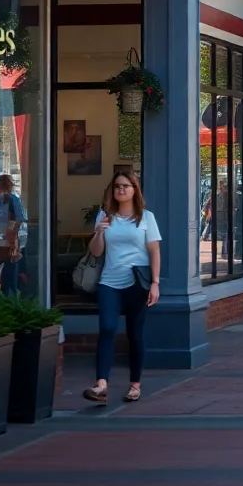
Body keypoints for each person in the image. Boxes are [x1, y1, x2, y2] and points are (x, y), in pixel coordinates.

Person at [84, 170, 161, 404]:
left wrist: (156, 283)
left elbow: (154, 251)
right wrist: (99, 232)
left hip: (138, 283)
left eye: (126, 186)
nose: (121, 189)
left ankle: (135, 385)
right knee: (107, 328)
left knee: (134, 335)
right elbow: (96, 252)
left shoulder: (146, 217)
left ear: (134, 190)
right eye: (117, 186)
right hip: (110, 282)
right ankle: (101, 385)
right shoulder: (105, 216)